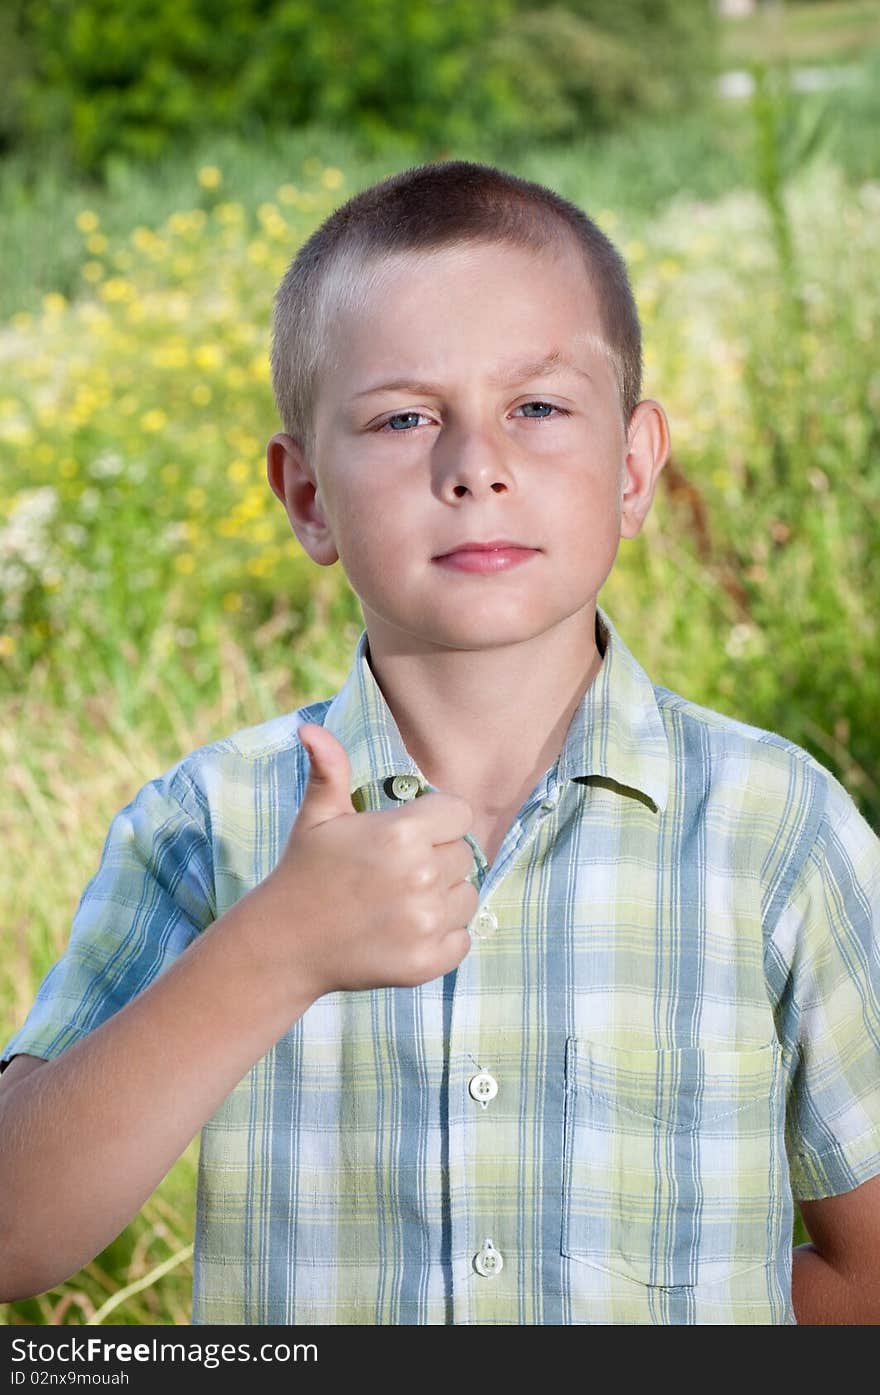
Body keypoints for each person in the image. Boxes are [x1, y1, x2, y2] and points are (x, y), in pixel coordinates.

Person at [1, 160, 878, 1326]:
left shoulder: (777, 826)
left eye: (538, 407)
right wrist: (276, 950)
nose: (476, 465)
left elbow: (861, 1274)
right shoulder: (200, 826)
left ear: (631, 465)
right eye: (404, 417)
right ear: (306, 495)